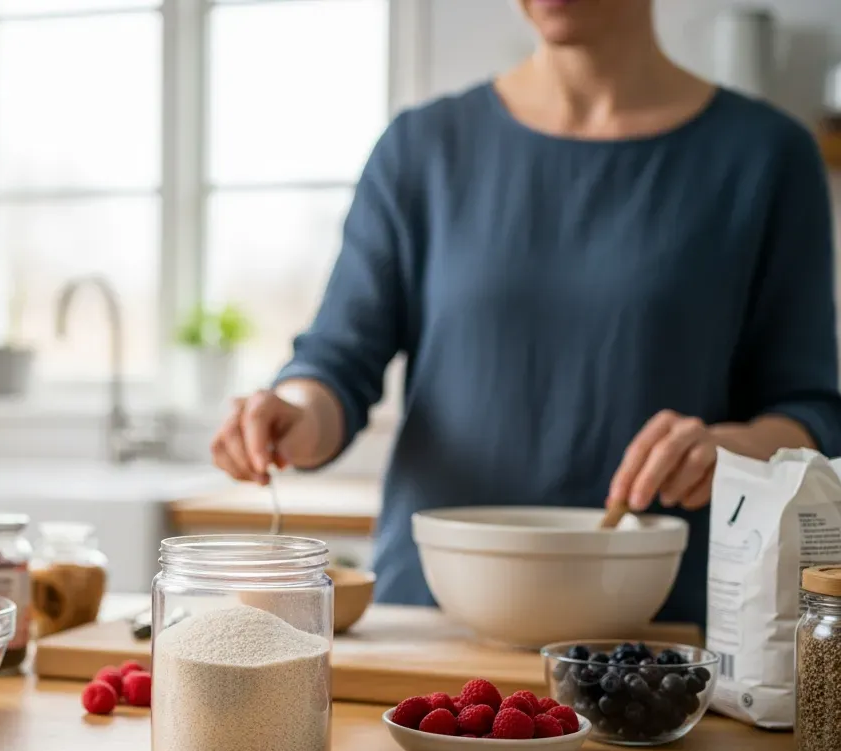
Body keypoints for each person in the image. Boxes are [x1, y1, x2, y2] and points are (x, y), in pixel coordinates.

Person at [209, 0, 841, 625]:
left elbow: (811, 411)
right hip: (434, 621)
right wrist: (292, 410)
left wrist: (731, 448)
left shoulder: (767, 155)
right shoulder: (421, 148)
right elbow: (336, 365)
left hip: (657, 635)